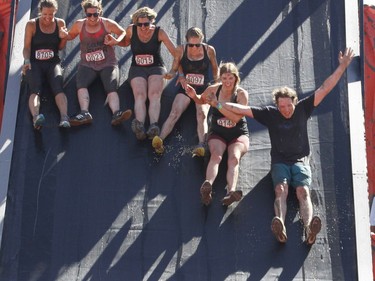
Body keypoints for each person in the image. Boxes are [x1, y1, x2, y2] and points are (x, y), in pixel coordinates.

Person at [213, 48, 354, 245]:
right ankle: (280, 225)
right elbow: (241, 109)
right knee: (281, 189)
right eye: (282, 107)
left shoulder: (304, 107)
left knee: (303, 191)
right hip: (280, 161)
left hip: (300, 160)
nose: (286, 110)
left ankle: (308, 230)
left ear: (295, 102)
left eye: (289, 106)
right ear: (276, 105)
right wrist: (218, 105)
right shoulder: (270, 114)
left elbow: (325, 87)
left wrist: (342, 66)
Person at [185, 62, 250, 206]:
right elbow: (201, 100)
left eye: (230, 79)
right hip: (218, 132)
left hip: (237, 134)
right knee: (216, 156)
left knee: (234, 158)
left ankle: (231, 192)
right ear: (220, 78)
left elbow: (235, 118)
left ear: (236, 79)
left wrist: (217, 105)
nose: (227, 82)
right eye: (224, 78)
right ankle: (207, 185)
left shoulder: (241, 94)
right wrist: (193, 95)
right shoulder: (214, 89)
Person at [59, 0, 132, 126]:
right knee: (81, 85)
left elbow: (123, 32)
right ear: (85, 14)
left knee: (111, 88)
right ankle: (85, 113)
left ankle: (116, 113)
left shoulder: (107, 23)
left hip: (107, 63)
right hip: (87, 64)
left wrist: (116, 40)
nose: (92, 18)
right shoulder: (79, 25)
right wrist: (64, 35)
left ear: (100, 13)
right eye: (89, 15)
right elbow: (70, 36)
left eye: (95, 15)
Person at [151, 27, 219, 156]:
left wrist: (216, 85)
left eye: (197, 44)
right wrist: (170, 75)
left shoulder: (209, 50)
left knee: (202, 115)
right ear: (186, 42)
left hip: (203, 88)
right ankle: (159, 140)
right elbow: (174, 68)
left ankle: (201, 145)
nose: (194, 48)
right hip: (187, 87)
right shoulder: (180, 50)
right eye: (191, 45)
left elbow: (215, 69)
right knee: (174, 113)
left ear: (202, 42)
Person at [119, 7, 176, 140]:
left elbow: (176, 53)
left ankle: (153, 126)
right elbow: (125, 43)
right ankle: (139, 126)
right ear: (135, 23)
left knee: (154, 94)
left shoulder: (159, 32)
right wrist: (113, 41)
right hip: (137, 69)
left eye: (146, 24)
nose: (143, 27)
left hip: (156, 67)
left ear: (152, 22)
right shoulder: (131, 29)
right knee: (140, 94)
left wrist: (174, 70)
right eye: (140, 24)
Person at [22, 0, 70, 129]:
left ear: (55, 12)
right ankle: (36, 117)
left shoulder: (60, 23)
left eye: (51, 14)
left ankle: (64, 118)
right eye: (45, 14)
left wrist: (64, 37)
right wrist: (26, 61)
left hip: (52, 62)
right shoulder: (32, 25)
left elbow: (60, 47)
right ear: (40, 12)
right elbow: (26, 48)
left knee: (58, 87)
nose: (48, 18)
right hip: (35, 62)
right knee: (35, 88)